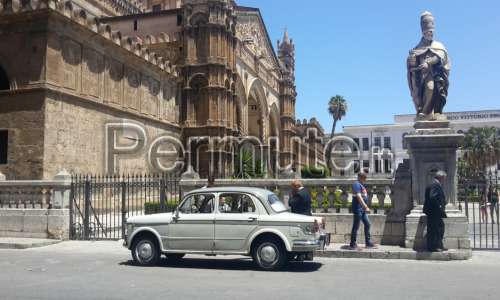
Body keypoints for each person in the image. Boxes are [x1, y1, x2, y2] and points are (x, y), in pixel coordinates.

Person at [407, 11, 450, 116]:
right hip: (422, 76)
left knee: (432, 88)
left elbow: (441, 57)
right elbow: (413, 66)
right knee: (426, 90)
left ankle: (427, 113)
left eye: (432, 31)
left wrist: (429, 62)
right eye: (428, 31)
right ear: (423, 32)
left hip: (435, 74)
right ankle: (425, 112)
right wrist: (412, 59)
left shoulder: (438, 46)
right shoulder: (418, 48)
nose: (431, 33)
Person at [349, 171, 378, 250]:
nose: (365, 179)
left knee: (367, 224)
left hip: (362, 209)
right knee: (356, 226)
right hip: (358, 208)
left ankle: (368, 243)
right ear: (360, 177)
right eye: (364, 177)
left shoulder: (360, 185)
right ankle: (352, 244)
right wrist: (366, 207)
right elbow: (359, 196)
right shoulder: (357, 184)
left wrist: (364, 208)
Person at [423, 170, 448, 252]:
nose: (445, 180)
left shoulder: (432, 183)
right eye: (444, 178)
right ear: (440, 177)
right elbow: (432, 196)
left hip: (433, 212)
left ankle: (438, 245)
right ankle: (432, 247)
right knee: (432, 230)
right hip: (434, 212)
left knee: (440, 227)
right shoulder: (435, 184)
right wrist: (440, 206)